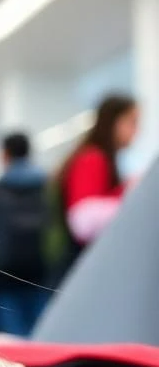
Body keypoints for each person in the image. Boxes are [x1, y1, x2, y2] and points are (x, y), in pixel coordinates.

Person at [0, 132, 49, 336]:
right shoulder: (46, 186)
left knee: (11, 339)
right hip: (41, 274)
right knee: (41, 334)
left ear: (5, 155)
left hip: (5, 275)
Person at [56, 94, 138, 267]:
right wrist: (129, 194)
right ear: (114, 122)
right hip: (78, 263)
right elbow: (82, 219)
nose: (137, 130)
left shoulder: (99, 158)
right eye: (132, 122)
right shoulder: (92, 158)